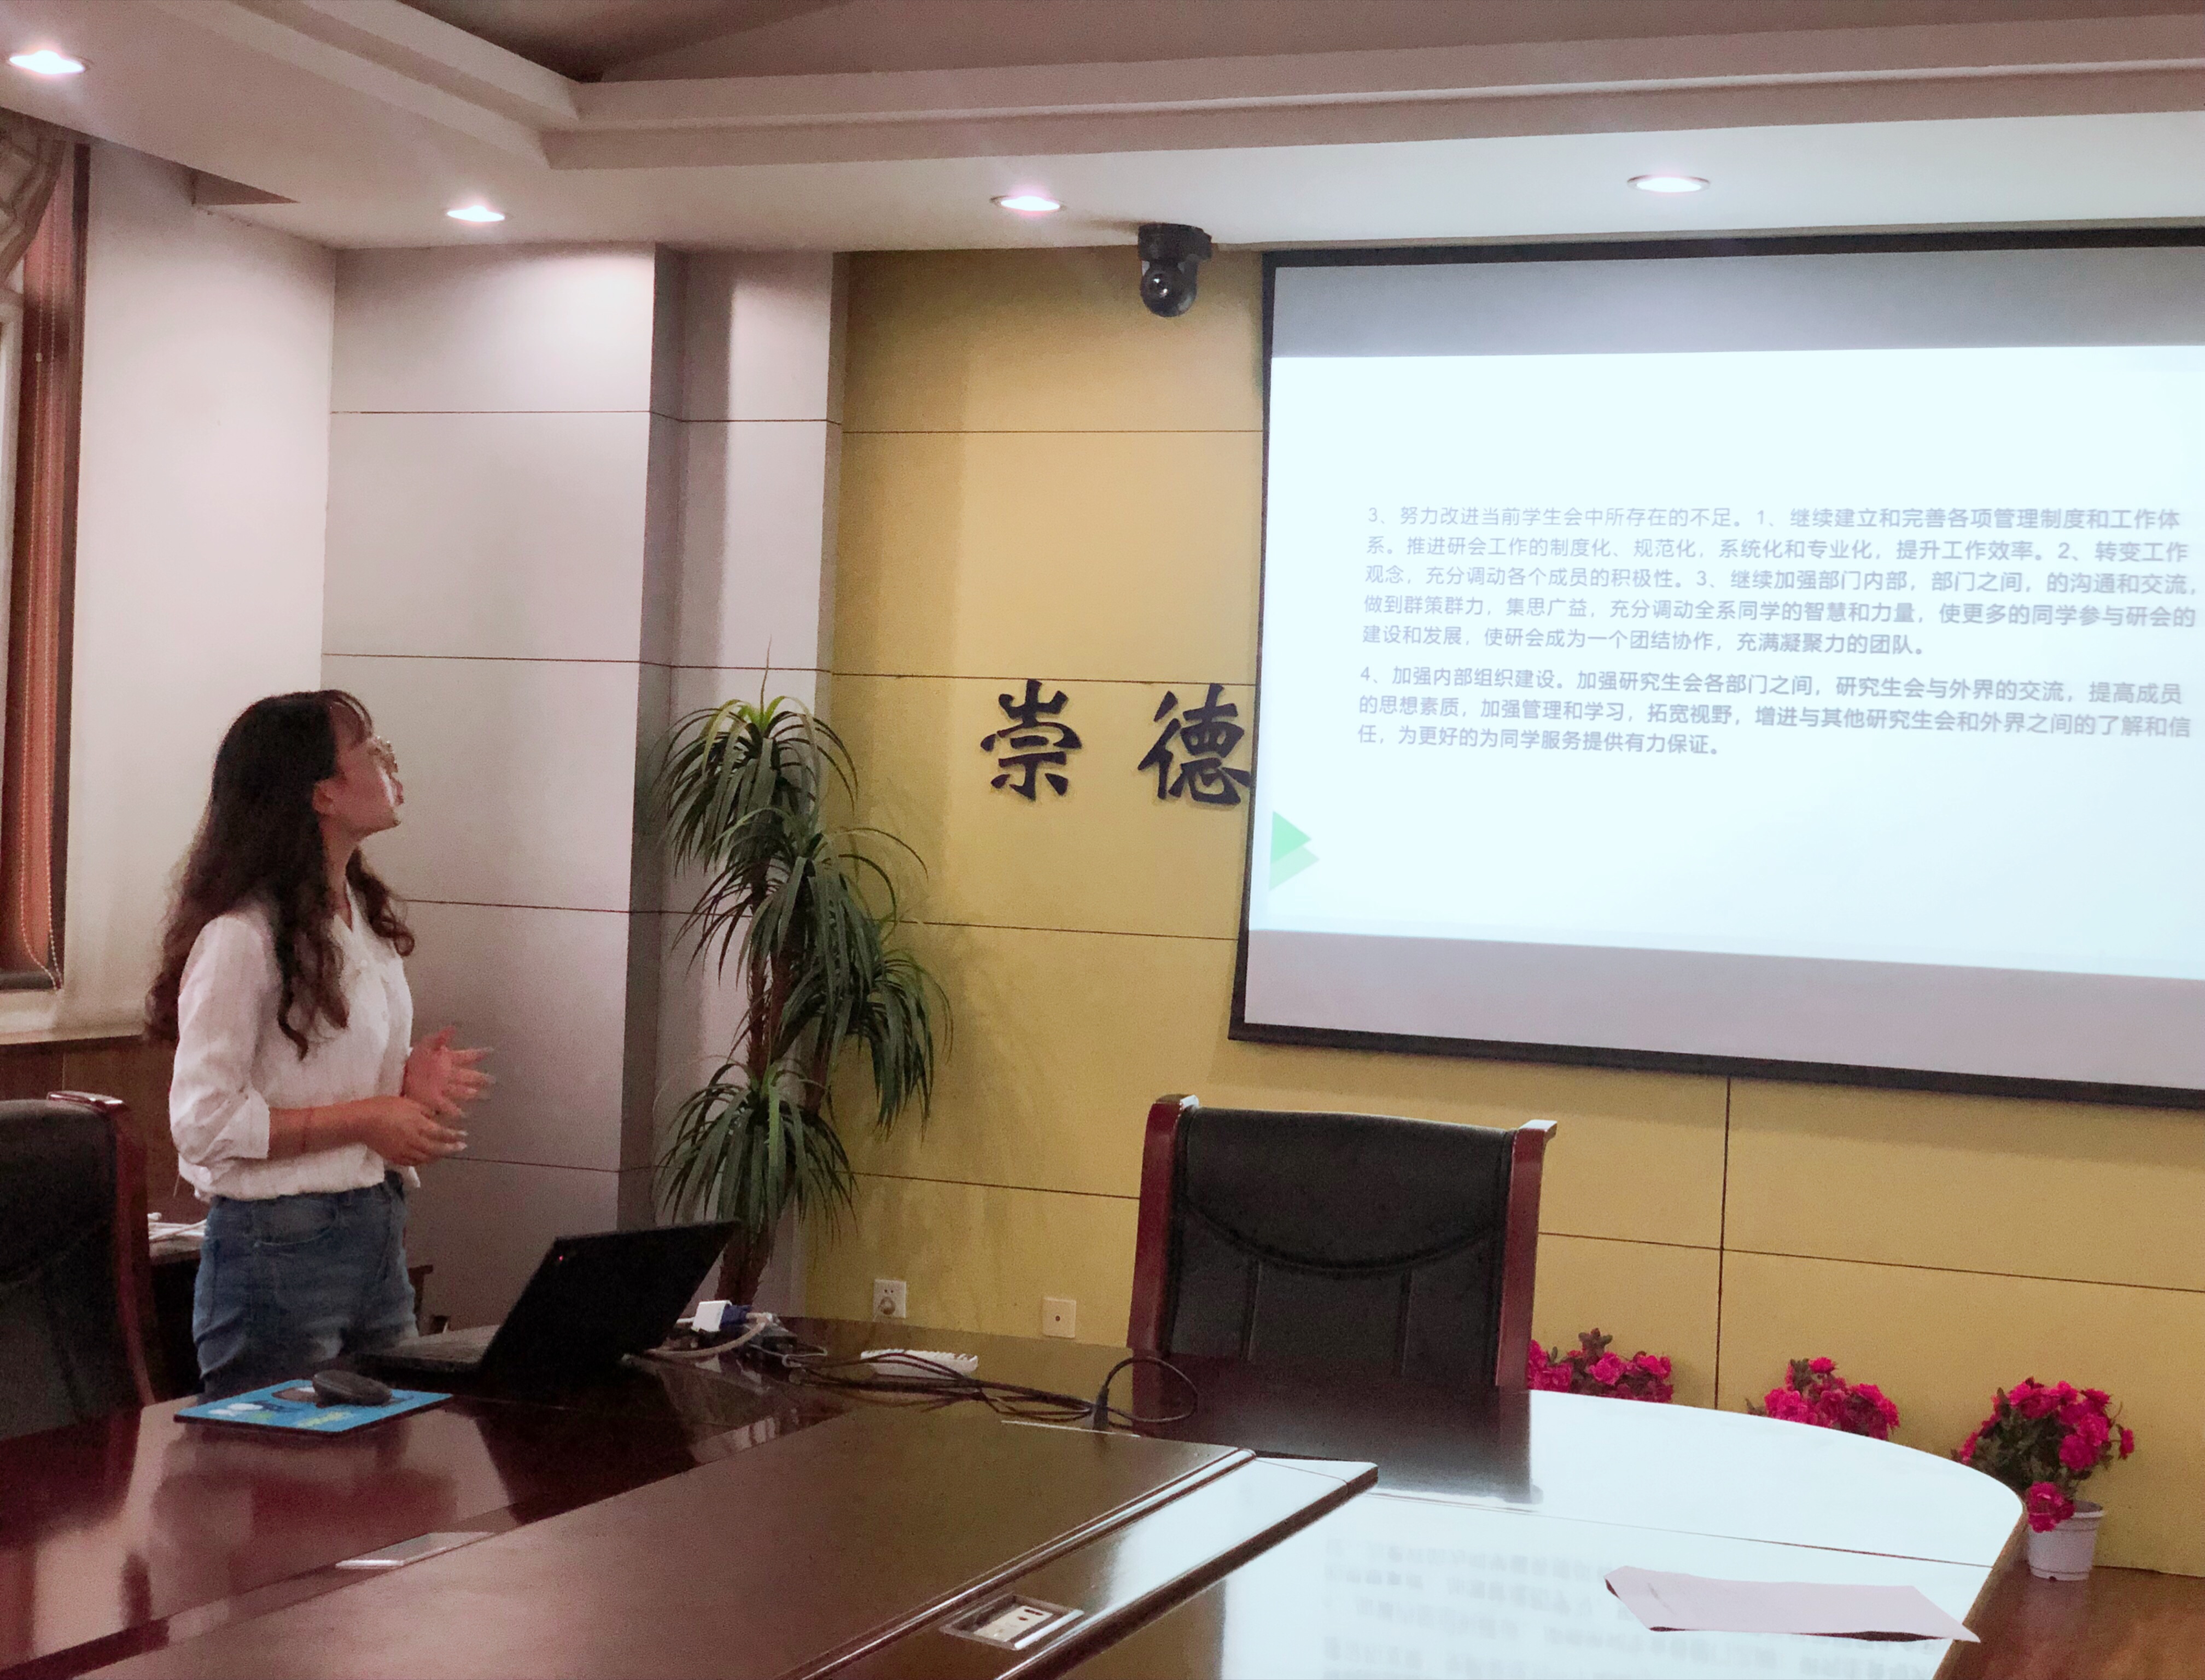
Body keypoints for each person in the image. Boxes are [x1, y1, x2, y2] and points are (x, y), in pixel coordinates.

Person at [147, 690, 490, 1396]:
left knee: (391, 1447)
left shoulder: (359, 916)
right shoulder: (240, 937)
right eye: (370, 751)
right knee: (281, 1461)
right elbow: (203, 1125)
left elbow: (314, 1076)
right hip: (277, 1242)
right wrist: (368, 1118)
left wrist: (403, 1084)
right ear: (322, 793)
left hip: (374, 1222)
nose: (391, 763)